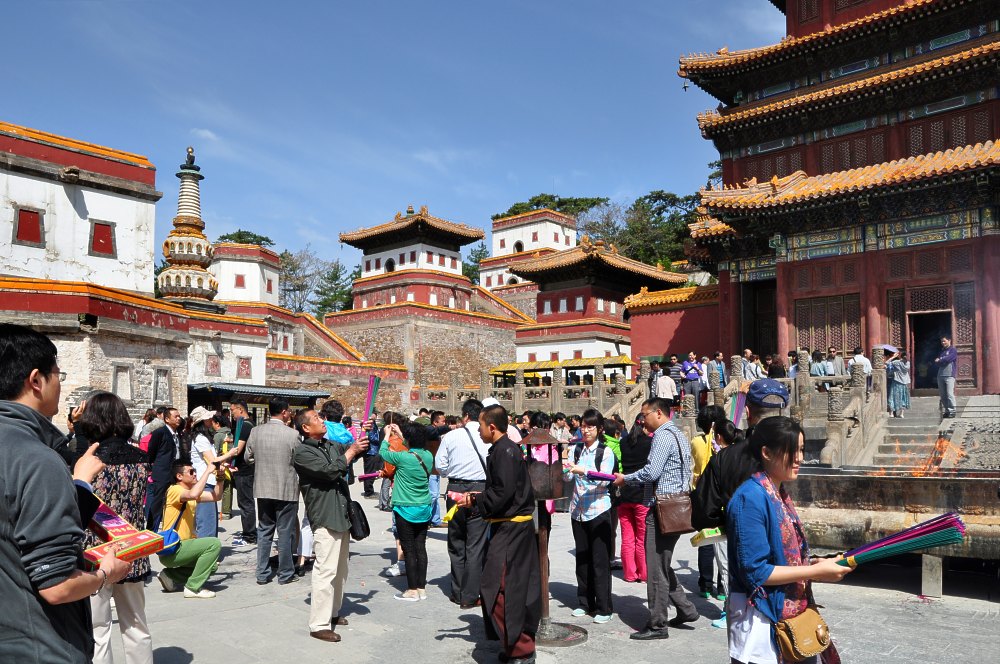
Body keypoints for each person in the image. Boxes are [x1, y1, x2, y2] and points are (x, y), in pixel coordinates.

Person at [0, 324, 131, 663]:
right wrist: (106, 574)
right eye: (58, 374)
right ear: (36, 380)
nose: (60, 383)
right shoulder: (36, 459)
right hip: (38, 645)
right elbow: (56, 585)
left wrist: (80, 485)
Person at [727, 417, 853, 664]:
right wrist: (814, 572)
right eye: (791, 450)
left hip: (793, 615)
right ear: (766, 453)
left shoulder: (777, 492)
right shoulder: (750, 498)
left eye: (802, 450)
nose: (800, 458)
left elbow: (784, 556)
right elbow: (756, 571)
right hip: (763, 617)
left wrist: (816, 564)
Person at [77, 392, 155, 664]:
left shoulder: (90, 460)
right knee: (136, 623)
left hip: (95, 550)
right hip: (132, 546)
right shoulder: (141, 458)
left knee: (98, 627)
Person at [460, 404, 540, 664]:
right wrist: (478, 497)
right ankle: (513, 644)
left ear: (492, 427)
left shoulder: (505, 451)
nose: (479, 431)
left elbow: (502, 494)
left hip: (512, 529)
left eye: (481, 426)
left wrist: (475, 500)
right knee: (504, 587)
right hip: (508, 526)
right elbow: (502, 490)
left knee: (499, 586)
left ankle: (522, 648)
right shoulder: (503, 449)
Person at [613, 397, 699, 641]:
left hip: (661, 508)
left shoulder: (661, 436)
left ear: (658, 413)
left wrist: (626, 479)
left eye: (645, 415)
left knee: (655, 568)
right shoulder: (678, 434)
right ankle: (685, 608)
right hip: (676, 506)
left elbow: (651, 472)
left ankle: (657, 623)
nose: (642, 420)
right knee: (661, 562)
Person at [293, 409, 369, 643]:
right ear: (306, 427)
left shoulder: (330, 445)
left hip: (342, 513)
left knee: (340, 569)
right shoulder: (302, 452)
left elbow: (349, 453)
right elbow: (329, 471)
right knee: (325, 570)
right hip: (325, 515)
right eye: (316, 418)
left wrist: (361, 440)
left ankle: (333, 611)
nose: (322, 420)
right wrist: (351, 452)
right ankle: (319, 624)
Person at [435, 398, 490, 609]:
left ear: (465, 416)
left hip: (455, 490)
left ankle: (457, 591)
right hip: (480, 490)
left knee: (456, 541)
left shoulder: (451, 436)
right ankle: (471, 594)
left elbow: (440, 466)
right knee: (475, 545)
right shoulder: (487, 435)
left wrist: (455, 471)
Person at [564, 408, 616, 624]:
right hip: (578, 510)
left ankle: (604, 608)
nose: (585, 430)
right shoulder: (577, 450)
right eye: (583, 426)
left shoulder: (605, 452)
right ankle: (585, 602)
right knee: (583, 558)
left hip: (599, 510)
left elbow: (606, 480)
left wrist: (582, 471)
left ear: (600, 429)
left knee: (600, 560)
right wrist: (565, 468)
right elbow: (568, 478)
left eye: (590, 427)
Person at [246, 398, 301, 585]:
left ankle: (262, 573)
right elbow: (299, 460)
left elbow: (248, 457)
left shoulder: (256, 431)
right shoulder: (293, 435)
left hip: (263, 488)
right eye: (289, 411)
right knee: (285, 532)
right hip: (286, 488)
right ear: (284, 412)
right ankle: (285, 574)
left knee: (264, 530)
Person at [379, 419, 434, 601]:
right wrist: (402, 433)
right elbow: (412, 446)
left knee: (409, 550)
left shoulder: (402, 457)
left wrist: (387, 434)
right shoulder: (428, 456)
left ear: (409, 440)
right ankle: (421, 588)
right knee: (420, 548)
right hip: (424, 507)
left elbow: (383, 452)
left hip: (405, 508)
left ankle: (411, 590)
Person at [158, 461, 224, 598]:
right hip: (173, 548)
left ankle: (169, 576)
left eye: (195, 471)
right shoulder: (174, 490)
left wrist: (220, 477)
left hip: (182, 547)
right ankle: (192, 588)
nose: (195, 475)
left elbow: (216, 496)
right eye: (191, 472)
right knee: (214, 544)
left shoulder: (189, 493)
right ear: (179, 476)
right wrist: (207, 471)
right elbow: (193, 494)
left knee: (211, 566)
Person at [690, 405, 726, 600]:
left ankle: (705, 584)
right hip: (720, 496)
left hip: (702, 496)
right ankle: (721, 587)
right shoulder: (722, 443)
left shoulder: (696, 441)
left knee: (706, 540)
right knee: (722, 540)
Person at [188, 406, 236, 538]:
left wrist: (225, 465)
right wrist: (230, 453)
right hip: (204, 482)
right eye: (208, 418)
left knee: (210, 520)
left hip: (208, 481)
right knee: (207, 522)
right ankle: (207, 548)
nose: (211, 420)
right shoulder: (200, 438)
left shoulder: (204, 438)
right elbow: (212, 460)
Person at [617, 413, 653, 583]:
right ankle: (643, 573)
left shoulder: (623, 442)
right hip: (641, 494)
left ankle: (629, 573)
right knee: (642, 537)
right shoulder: (649, 443)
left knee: (627, 537)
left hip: (625, 493)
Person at [145, 406, 182, 529]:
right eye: (175, 416)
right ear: (167, 419)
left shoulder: (178, 433)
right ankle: (152, 531)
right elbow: (152, 452)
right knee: (157, 505)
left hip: (175, 474)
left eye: (179, 416)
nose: (178, 418)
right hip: (162, 474)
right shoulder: (160, 433)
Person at [229, 400, 257, 547]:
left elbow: (238, 449)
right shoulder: (248, 424)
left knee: (245, 503)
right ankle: (249, 532)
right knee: (246, 502)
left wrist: (223, 458)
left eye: (232, 410)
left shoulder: (246, 426)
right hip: (244, 469)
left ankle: (249, 535)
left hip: (244, 470)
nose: (231, 413)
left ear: (240, 409)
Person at [934, 336, 958, 418]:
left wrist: (941, 359)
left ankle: (952, 411)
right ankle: (947, 411)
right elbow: (937, 362)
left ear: (949, 340)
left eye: (944, 341)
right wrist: (941, 360)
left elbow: (949, 359)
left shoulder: (953, 350)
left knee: (949, 394)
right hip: (940, 375)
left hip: (949, 375)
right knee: (943, 395)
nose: (943, 343)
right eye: (942, 341)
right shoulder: (942, 351)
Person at [887, 350, 912, 418]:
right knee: (903, 397)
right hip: (904, 383)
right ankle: (901, 414)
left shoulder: (897, 362)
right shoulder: (908, 364)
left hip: (896, 382)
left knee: (893, 397)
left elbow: (887, 362)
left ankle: (891, 413)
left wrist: (893, 356)